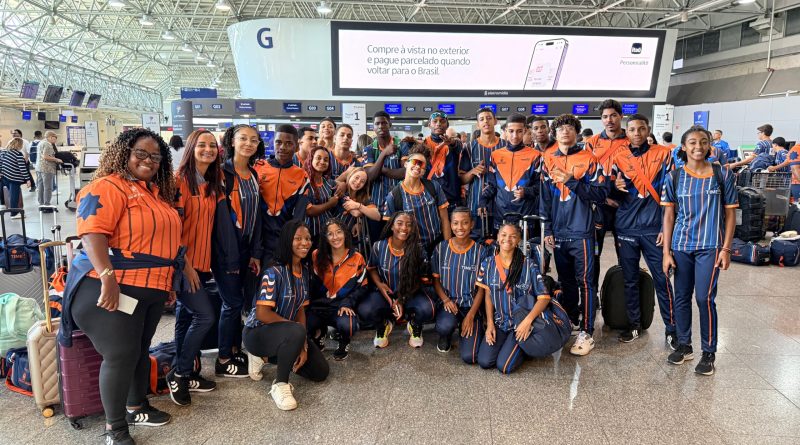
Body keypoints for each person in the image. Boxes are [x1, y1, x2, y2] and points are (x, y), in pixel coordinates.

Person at [57, 128, 181, 445]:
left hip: (150, 288)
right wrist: (107, 277)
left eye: (155, 157)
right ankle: (115, 430)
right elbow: (92, 233)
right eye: (141, 153)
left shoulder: (154, 193)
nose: (148, 160)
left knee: (138, 350)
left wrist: (166, 281)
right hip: (109, 286)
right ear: (124, 153)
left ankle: (136, 407)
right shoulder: (108, 186)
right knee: (121, 354)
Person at [662, 126, 737, 376]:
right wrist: (666, 252)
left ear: (709, 145)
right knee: (681, 297)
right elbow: (669, 215)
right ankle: (684, 345)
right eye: (692, 142)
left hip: (710, 246)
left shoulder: (722, 174)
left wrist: (726, 248)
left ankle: (709, 352)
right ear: (683, 147)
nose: (698, 147)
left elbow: (730, 214)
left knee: (704, 298)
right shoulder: (674, 176)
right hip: (681, 246)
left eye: (703, 142)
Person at [242, 220, 329, 411]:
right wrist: (295, 331)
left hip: (288, 333)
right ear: (287, 240)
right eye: (298, 238)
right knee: (295, 331)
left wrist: (302, 344)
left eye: (308, 238)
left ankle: (264, 359)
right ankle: (280, 384)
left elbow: (300, 309)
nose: (305, 243)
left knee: (320, 371)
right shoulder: (273, 272)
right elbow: (262, 313)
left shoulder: (304, 271)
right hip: (257, 333)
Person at [541, 114, 607, 356]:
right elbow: (544, 198)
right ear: (554, 133)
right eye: (560, 129)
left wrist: (572, 181)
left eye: (569, 128)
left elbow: (601, 194)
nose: (565, 131)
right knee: (565, 280)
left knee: (586, 282)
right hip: (559, 232)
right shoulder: (547, 160)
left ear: (577, 132)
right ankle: (570, 320)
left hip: (582, 232)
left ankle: (587, 331)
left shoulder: (589, 159)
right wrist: (547, 228)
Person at [609, 114, 677, 346]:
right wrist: (613, 186)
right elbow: (609, 194)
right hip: (626, 227)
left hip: (654, 228)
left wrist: (665, 228)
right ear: (626, 132)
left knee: (662, 279)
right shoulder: (618, 157)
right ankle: (634, 325)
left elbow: (671, 193)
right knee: (629, 280)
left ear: (648, 130)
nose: (636, 133)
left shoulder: (664, 154)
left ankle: (672, 329)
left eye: (641, 129)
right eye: (632, 129)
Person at [167, 130, 222, 406]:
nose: (208, 149)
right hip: (183, 265)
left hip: (202, 263)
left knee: (186, 318)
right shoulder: (179, 182)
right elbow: (172, 229)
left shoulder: (210, 184)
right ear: (191, 148)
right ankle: (179, 374)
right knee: (205, 316)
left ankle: (186, 373)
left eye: (212, 145)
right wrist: (186, 266)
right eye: (202, 145)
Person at [212, 124, 264, 378]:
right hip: (226, 250)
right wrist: (231, 257)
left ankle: (234, 349)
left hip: (245, 248)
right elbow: (221, 221)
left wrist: (255, 252)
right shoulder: (222, 175)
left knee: (238, 302)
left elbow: (257, 217)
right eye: (243, 138)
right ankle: (223, 358)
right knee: (231, 303)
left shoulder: (252, 174)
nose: (248, 144)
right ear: (232, 141)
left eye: (254, 140)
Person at [475, 223, 551, 374]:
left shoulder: (528, 265)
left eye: (513, 236)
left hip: (521, 324)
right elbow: (488, 295)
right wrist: (490, 324)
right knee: (484, 361)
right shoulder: (487, 263)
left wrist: (528, 321)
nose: (507, 239)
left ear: (518, 240)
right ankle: (511, 345)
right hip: (500, 323)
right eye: (503, 235)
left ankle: (526, 348)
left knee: (504, 366)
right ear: (497, 237)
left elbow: (544, 298)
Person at [360, 212, 437, 348]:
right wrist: (380, 285)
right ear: (391, 226)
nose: (404, 228)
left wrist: (401, 299)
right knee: (365, 310)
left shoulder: (418, 249)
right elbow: (371, 268)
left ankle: (414, 324)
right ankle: (384, 324)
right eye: (399, 223)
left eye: (409, 224)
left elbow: (420, 280)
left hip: (410, 293)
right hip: (386, 293)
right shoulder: (379, 246)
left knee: (428, 309)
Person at [583, 99, 628, 299]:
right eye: (605, 117)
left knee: (625, 256)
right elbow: (585, 176)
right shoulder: (592, 143)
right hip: (599, 206)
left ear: (621, 116)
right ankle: (592, 298)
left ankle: (623, 300)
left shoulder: (631, 141)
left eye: (613, 116)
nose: (609, 120)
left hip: (625, 206)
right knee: (594, 254)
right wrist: (602, 198)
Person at [308, 218, 368, 360]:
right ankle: (320, 332)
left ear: (345, 233)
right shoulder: (316, 255)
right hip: (320, 306)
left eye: (339, 232)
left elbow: (363, 287)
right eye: (330, 234)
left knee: (349, 326)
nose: (335, 237)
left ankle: (344, 340)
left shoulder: (357, 258)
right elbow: (311, 284)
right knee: (302, 325)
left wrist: (348, 302)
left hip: (341, 306)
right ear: (325, 237)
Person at [431, 208, 486, 362]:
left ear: (472, 224)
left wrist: (471, 314)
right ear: (450, 224)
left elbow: (482, 289)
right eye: (455, 223)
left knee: (470, 356)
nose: (460, 227)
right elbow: (436, 280)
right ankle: (446, 335)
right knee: (444, 326)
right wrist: (445, 300)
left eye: (465, 223)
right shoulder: (441, 248)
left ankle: (469, 328)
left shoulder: (481, 251)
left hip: (471, 306)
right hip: (449, 304)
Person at [383, 142, 451, 254]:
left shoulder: (433, 186)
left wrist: (447, 248)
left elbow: (444, 219)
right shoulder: (394, 196)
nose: (418, 166)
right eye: (415, 162)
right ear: (406, 163)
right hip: (410, 250)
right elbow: (390, 230)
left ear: (424, 170)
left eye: (422, 165)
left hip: (437, 246)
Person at [479, 113, 542, 236]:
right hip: (501, 216)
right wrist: (482, 202)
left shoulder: (535, 156)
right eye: (511, 131)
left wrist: (527, 192)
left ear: (525, 131)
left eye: (519, 131)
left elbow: (541, 186)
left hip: (525, 217)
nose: (515, 136)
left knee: (525, 248)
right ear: (505, 131)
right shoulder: (495, 155)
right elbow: (491, 186)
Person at [255, 124, 309, 265]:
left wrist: (290, 244)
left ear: (296, 147)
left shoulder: (302, 176)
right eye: (278, 142)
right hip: (256, 242)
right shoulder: (258, 168)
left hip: (283, 242)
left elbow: (299, 217)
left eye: (289, 143)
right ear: (273, 143)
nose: (283, 147)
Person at [459, 107, 506, 240]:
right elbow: (461, 179)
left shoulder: (505, 146)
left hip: (501, 206)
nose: (486, 121)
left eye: (489, 118)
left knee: (500, 244)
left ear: (495, 121)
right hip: (476, 206)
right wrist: (473, 172)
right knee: (477, 244)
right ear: (478, 124)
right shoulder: (469, 147)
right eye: (482, 119)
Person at [364, 111, 406, 241]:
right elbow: (370, 176)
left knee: (399, 242)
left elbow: (406, 173)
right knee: (377, 243)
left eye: (384, 123)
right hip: (376, 207)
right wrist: (384, 153)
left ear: (390, 125)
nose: (381, 126)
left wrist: (381, 169)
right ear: (373, 127)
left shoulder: (402, 145)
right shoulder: (369, 149)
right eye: (377, 124)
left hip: (399, 205)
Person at [338, 166, 381, 258]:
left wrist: (358, 206)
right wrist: (364, 211)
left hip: (349, 238)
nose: (358, 182)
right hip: (335, 234)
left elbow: (377, 216)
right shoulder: (342, 192)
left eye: (362, 181)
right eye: (356, 177)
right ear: (350, 175)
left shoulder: (363, 198)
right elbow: (356, 213)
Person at [423, 111, 463, 209]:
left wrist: (451, 142)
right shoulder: (423, 144)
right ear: (429, 125)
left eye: (442, 121)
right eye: (435, 121)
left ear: (447, 125)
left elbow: (457, 145)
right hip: (428, 198)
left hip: (451, 199)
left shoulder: (454, 143)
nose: (438, 124)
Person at [303, 145, 340, 243]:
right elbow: (309, 210)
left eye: (326, 160)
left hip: (327, 233)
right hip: (309, 234)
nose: (322, 162)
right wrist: (330, 204)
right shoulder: (303, 182)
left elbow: (342, 197)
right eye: (318, 158)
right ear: (311, 159)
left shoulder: (329, 182)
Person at [0, 138, 32, 218]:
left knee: (11, 195)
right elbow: (22, 168)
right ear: (19, 145)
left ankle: (8, 207)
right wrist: (28, 179)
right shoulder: (18, 154)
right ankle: (14, 214)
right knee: (14, 196)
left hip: (4, 177)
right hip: (14, 178)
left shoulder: (4, 152)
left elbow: (0, 163)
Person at [35, 131, 62, 209]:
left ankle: (41, 202)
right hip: (47, 168)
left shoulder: (40, 143)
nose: (55, 140)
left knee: (40, 186)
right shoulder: (48, 144)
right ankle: (47, 203)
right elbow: (46, 156)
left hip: (39, 167)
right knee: (48, 187)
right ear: (50, 137)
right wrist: (56, 159)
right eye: (55, 138)